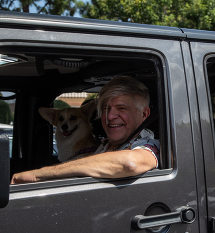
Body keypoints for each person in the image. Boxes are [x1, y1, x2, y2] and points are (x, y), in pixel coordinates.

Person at [11, 76, 160, 184]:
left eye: (122, 108)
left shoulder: (151, 145)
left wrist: (37, 175)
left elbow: (129, 163)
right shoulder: (105, 144)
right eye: (105, 109)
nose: (110, 116)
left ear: (144, 114)